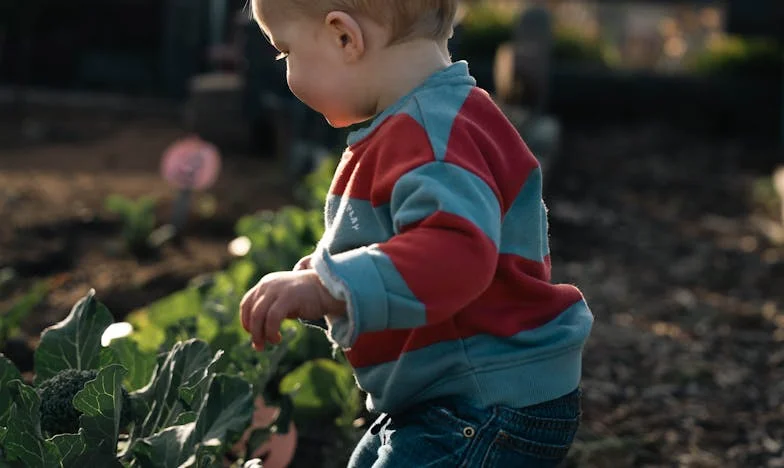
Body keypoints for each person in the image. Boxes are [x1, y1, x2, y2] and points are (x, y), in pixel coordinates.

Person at [239, 1, 594, 466]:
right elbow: (405, 242)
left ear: (344, 37)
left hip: (480, 404)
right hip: (453, 399)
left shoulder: (431, 131)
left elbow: (455, 255)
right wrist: (321, 278)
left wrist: (329, 285)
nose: (286, 74)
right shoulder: (435, 117)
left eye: (285, 53)